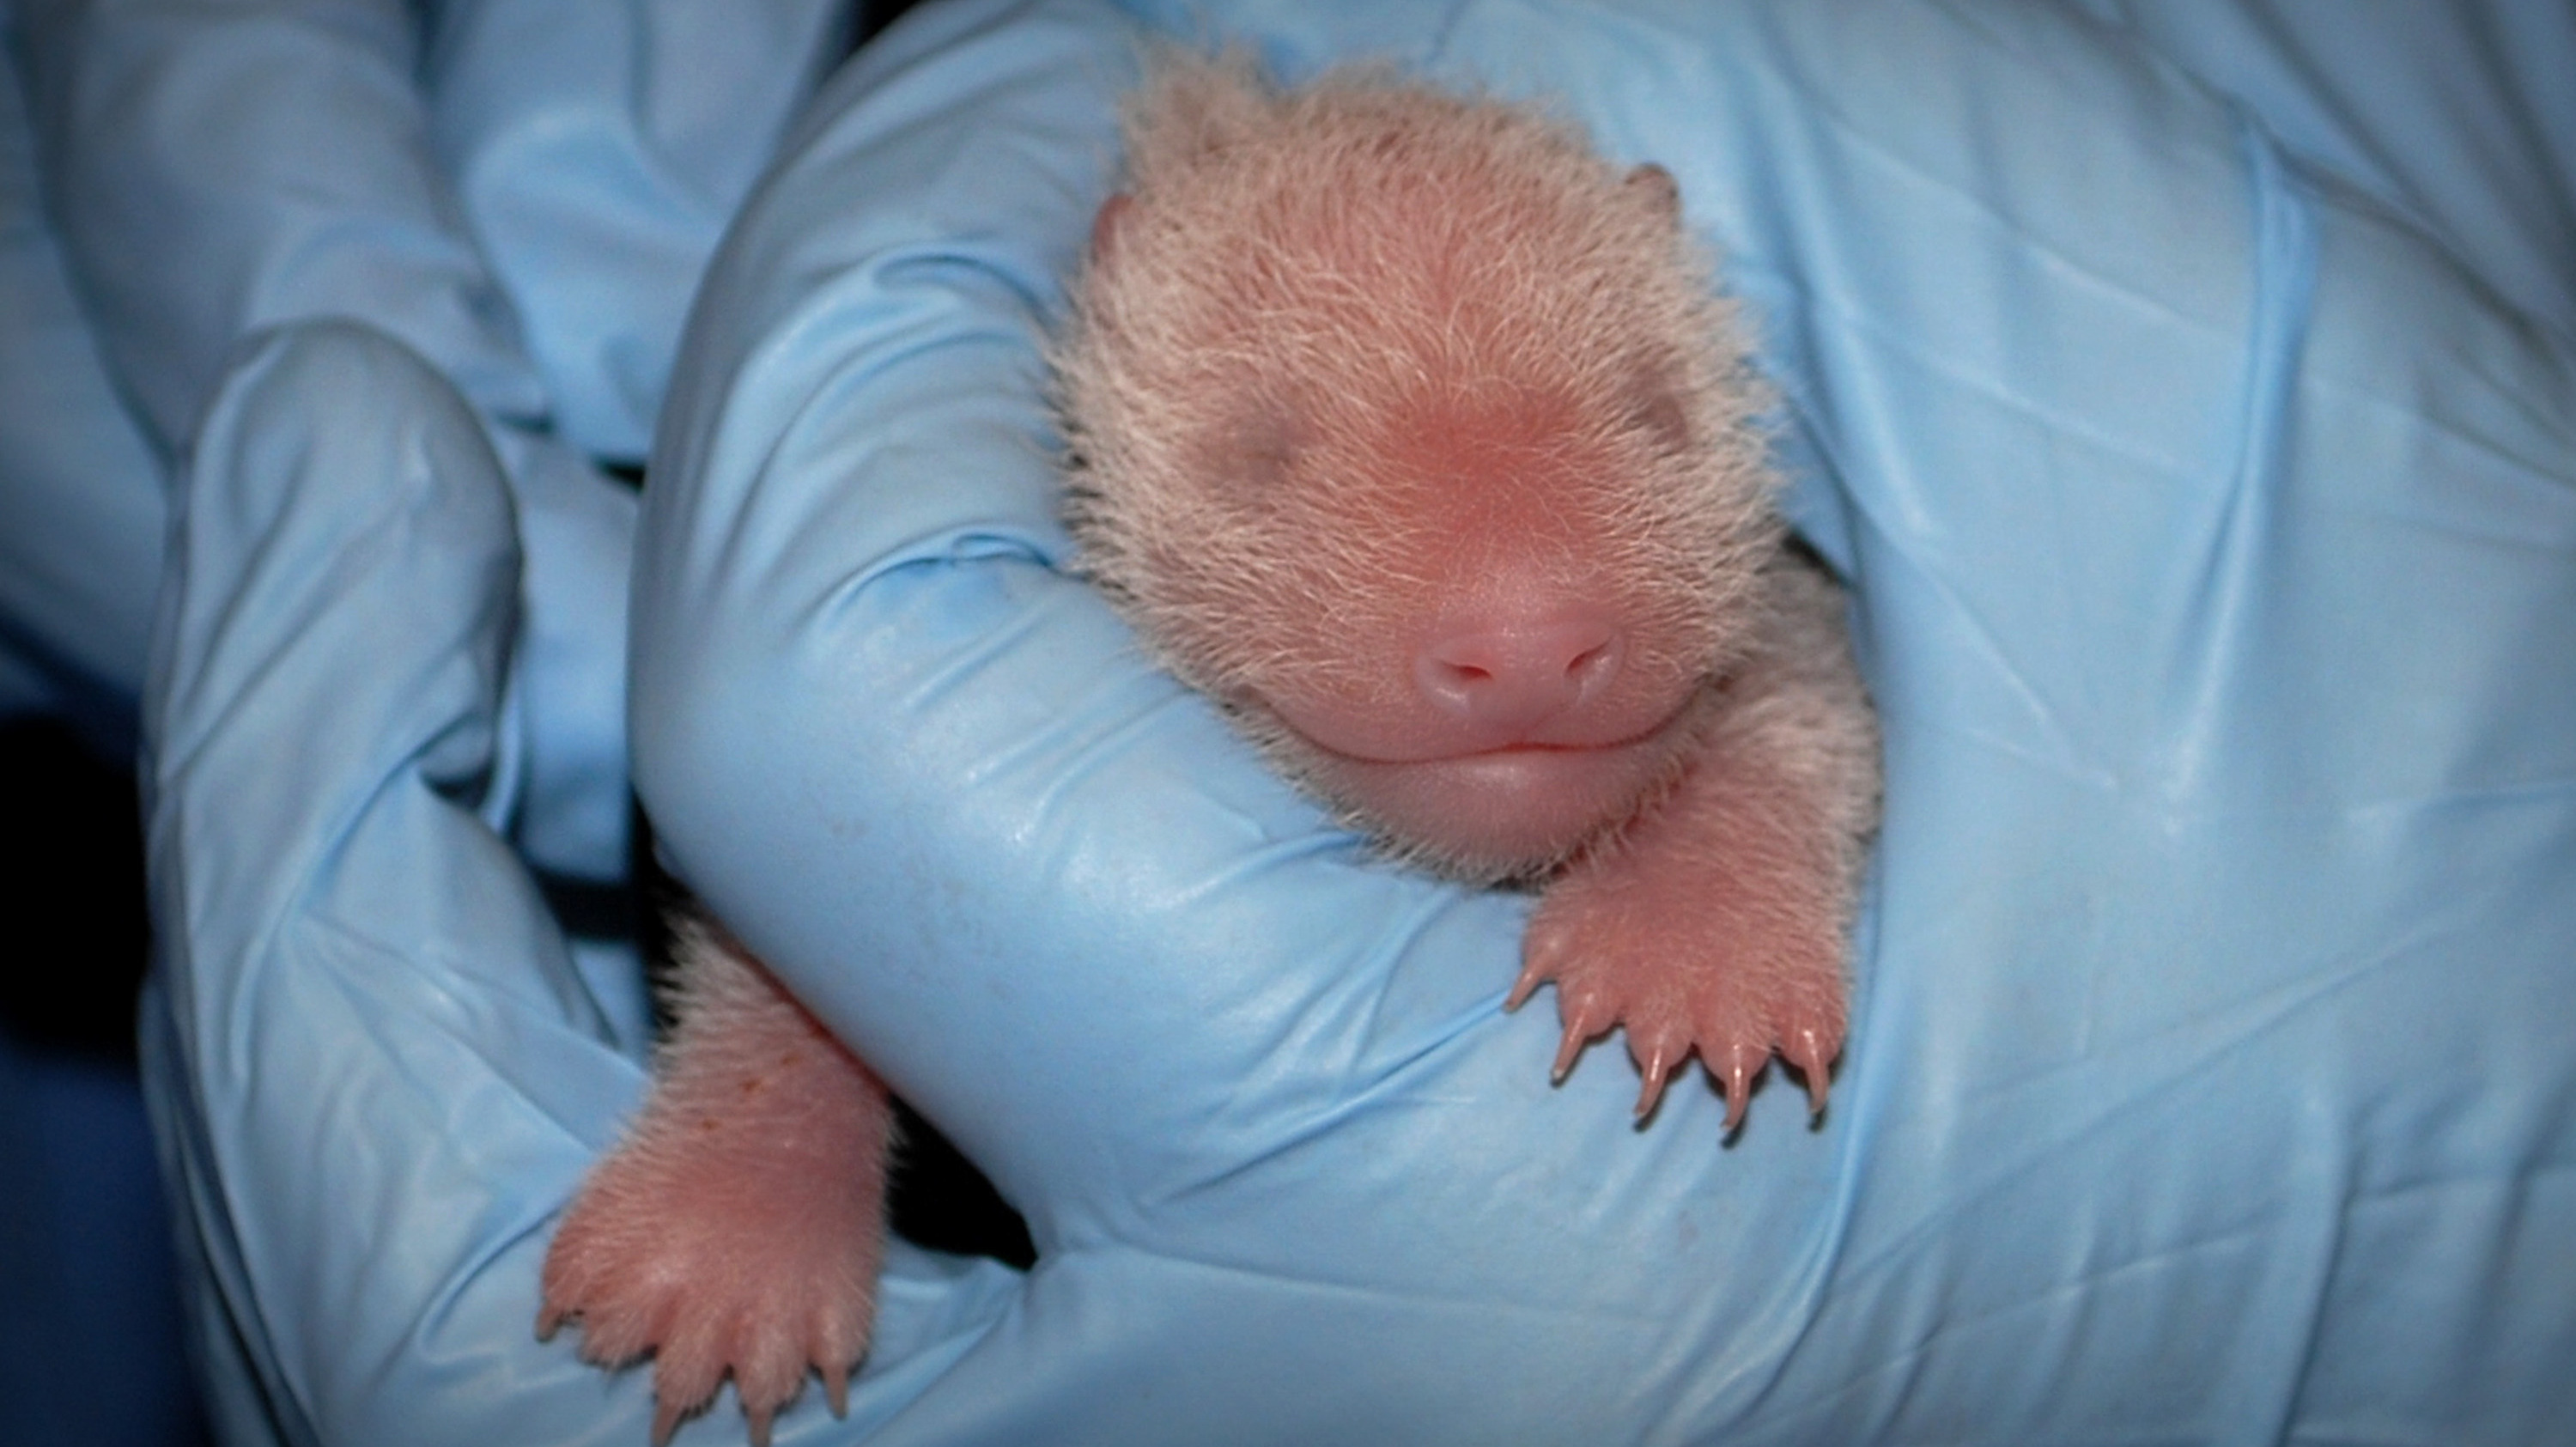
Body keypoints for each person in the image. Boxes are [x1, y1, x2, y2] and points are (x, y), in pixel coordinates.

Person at [20, 0, 2576, 1442]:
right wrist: (770, 1138)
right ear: (1101, 342)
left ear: (1711, 328)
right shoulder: (1001, 505)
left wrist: (1722, 849)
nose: (1527, 618)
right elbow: (835, 882)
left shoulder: (1760, 487)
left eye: (1643, 425)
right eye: (1266, 458)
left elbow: (1800, 673)